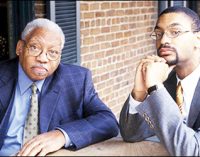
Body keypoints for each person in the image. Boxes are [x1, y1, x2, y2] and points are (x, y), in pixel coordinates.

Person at [0, 18, 119, 156]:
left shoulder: (77, 80)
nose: (43, 58)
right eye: (34, 47)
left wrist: (61, 135)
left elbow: (108, 121)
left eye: (53, 52)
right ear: (19, 48)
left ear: (59, 57)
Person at [119, 6, 200, 156]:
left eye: (175, 32)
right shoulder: (165, 82)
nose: (163, 40)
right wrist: (140, 93)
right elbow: (131, 135)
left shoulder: (158, 85)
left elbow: (192, 151)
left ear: (198, 39)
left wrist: (155, 88)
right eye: (158, 33)